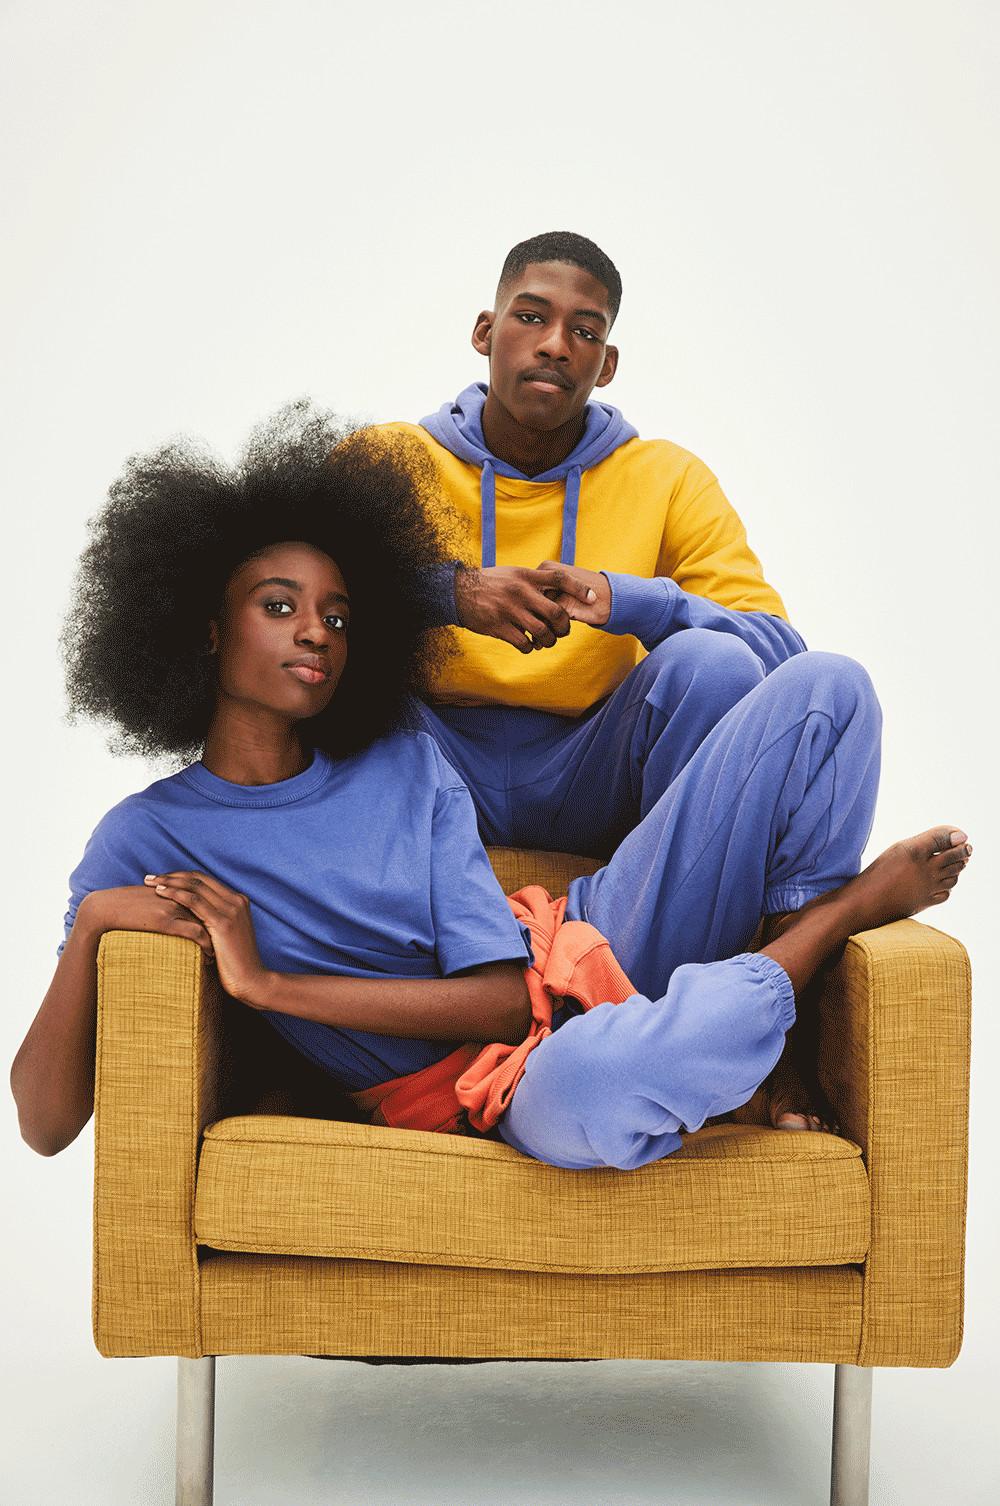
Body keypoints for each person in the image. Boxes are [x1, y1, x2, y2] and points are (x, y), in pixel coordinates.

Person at [9, 406, 971, 1168]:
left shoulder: (400, 756)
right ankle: (827, 930)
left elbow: (507, 999)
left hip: (581, 946)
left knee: (827, 689)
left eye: (341, 616)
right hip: (516, 1094)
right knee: (611, 1074)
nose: (317, 633)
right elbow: (45, 1127)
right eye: (279, 607)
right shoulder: (146, 838)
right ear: (206, 629)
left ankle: (785, 960)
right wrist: (93, 923)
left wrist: (269, 983)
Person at [378, 230, 808, 862]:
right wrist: (452, 591)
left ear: (605, 364)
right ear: (485, 333)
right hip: (424, 756)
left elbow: (780, 654)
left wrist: (635, 602)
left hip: (594, 774)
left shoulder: (667, 476)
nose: (555, 345)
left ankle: (667, 908)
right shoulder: (392, 459)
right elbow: (298, 611)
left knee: (715, 666)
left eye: (583, 331)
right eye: (530, 317)